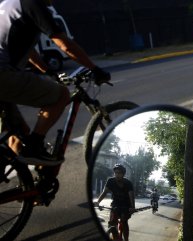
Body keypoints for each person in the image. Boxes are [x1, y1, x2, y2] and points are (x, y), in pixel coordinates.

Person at [0, 0, 110, 165]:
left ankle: (30, 185)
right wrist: (95, 69)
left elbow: (28, 50)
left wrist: (47, 72)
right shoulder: (33, 4)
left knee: (18, 134)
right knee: (61, 95)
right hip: (3, 73)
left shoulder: (9, 4)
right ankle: (34, 147)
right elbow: (65, 45)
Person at [94, 164, 135, 241]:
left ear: (123, 174)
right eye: (115, 173)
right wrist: (98, 201)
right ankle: (114, 236)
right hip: (115, 204)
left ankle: (126, 239)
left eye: (119, 173)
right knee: (112, 221)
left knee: (124, 221)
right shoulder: (110, 181)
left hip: (126, 205)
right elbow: (104, 192)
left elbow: (131, 196)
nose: (117, 175)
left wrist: (132, 207)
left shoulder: (128, 183)